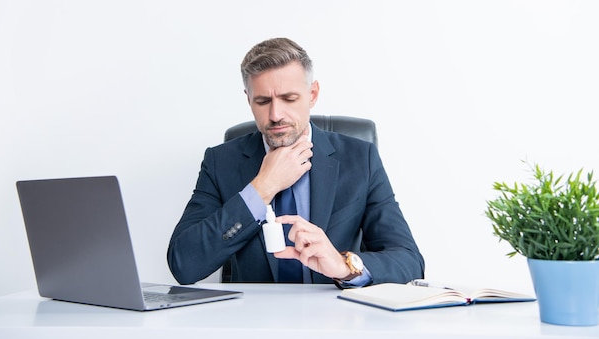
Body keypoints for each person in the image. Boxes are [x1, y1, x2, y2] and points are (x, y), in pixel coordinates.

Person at [167, 37, 424, 288]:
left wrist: (343, 265)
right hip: (252, 323)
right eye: (263, 101)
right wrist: (261, 188)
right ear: (249, 100)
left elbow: (409, 261)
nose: (276, 115)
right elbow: (183, 264)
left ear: (312, 94)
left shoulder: (360, 159)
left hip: (337, 321)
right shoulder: (220, 161)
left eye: (289, 99)